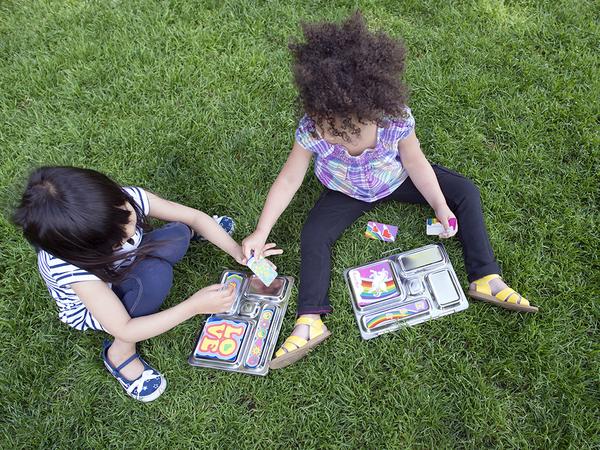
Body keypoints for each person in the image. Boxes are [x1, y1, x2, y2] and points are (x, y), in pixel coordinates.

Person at [242, 12, 538, 370]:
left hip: (395, 179)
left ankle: (485, 276)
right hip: (344, 191)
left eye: (345, 130)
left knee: (465, 192)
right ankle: (310, 320)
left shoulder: (395, 120)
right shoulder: (312, 129)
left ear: (373, 112)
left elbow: (416, 164)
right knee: (314, 235)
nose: (333, 135)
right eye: (327, 127)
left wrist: (441, 206)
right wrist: (261, 230)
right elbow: (289, 179)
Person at [13, 166, 280, 400]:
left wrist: (235, 250)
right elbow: (125, 327)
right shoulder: (73, 268)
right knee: (154, 277)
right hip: (98, 305)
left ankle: (186, 239)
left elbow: (195, 217)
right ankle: (118, 355)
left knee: (177, 232)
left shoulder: (121, 201)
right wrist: (193, 306)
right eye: (118, 239)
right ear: (84, 250)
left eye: (128, 217)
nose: (131, 230)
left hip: (126, 262)